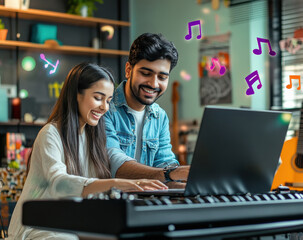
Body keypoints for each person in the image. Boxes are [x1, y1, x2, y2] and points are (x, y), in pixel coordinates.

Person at [8, 63, 167, 240]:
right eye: (98, 98)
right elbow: (59, 183)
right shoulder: (50, 133)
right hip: (38, 227)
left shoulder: (94, 139)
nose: (105, 108)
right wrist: (115, 183)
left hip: (71, 225)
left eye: (108, 101)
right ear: (76, 95)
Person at [104, 33, 190, 186]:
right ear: (129, 70)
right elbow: (112, 163)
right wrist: (170, 174)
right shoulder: (104, 108)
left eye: (162, 77)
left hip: (146, 202)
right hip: (111, 203)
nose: (153, 83)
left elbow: (164, 164)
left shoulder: (160, 116)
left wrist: (189, 185)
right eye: (145, 73)